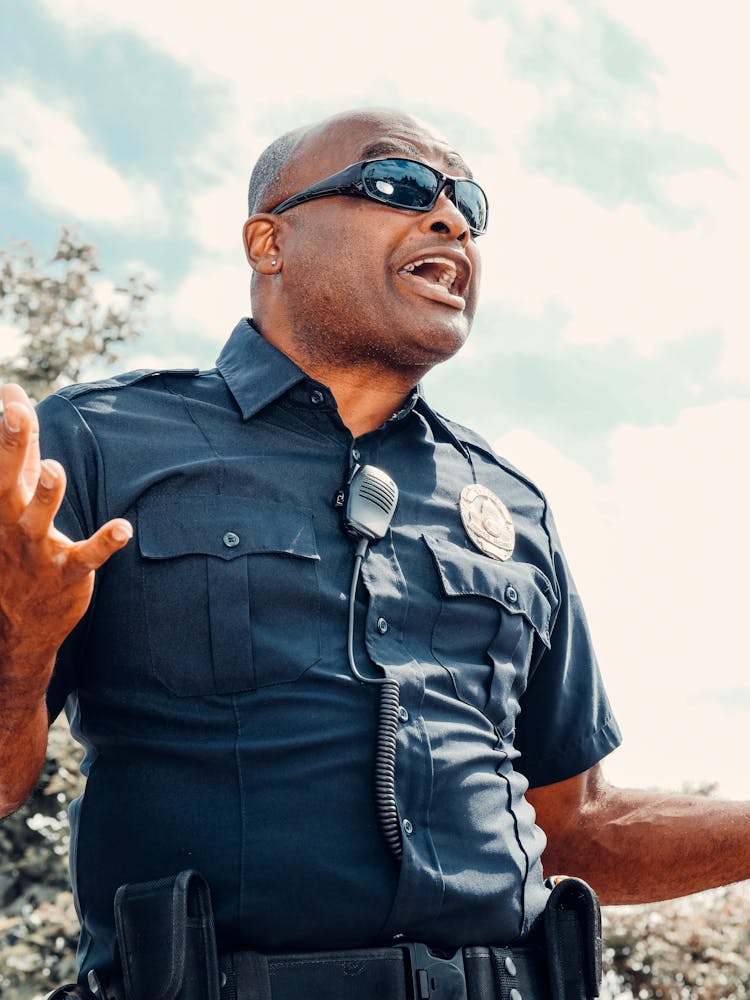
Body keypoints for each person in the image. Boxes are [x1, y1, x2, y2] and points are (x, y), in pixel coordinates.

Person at [1, 107, 749, 1000]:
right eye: (398, 185)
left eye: (467, 200)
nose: (452, 221)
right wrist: (20, 641)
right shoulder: (95, 443)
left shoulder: (514, 503)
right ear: (269, 242)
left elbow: (576, 826)